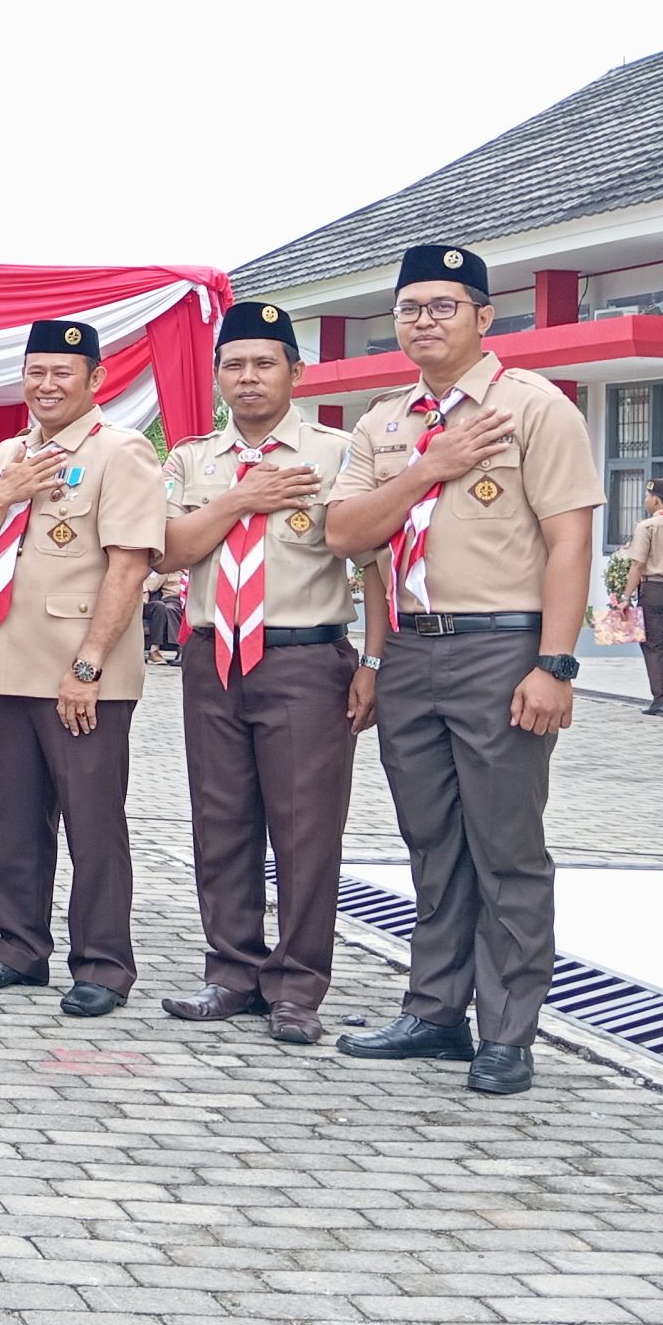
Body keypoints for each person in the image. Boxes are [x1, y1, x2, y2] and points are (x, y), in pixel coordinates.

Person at [324, 244, 603, 1095]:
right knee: (432, 841)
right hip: (411, 648)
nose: (424, 321)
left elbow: (570, 539)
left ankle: (509, 1032)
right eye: (411, 308)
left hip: (500, 648)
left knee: (506, 845)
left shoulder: (536, 408)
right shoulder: (384, 423)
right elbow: (348, 536)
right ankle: (435, 1010)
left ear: (486, 316)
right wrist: (432, 466)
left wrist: (555, 663)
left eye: (445, 306)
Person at [158, 302, 381, 1046]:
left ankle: (297, 986)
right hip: (212, 655)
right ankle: (230, 972)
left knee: (305, 829)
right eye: (234, 365)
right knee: (219, 821)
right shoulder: (192, 459)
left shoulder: (338, 454)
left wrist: (373, 662)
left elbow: (374, 565)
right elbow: (168, 551)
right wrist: (239, 499)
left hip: (305, 660)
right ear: (218, 375)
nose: (248, 378)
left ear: (296, 371)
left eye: (264, 363)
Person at [0, 319, 164, 1017]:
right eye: (35, 372)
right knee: (10, 817)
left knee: (93, 820)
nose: (45, 385)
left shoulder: (121, 452)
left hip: (79, 670)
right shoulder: (14, 451)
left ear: (95, 380)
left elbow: (130, 565)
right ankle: (18, 947)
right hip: (10, 656)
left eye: (61, 373)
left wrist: (91, 664)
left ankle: (103, 962)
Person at [631, 478, 663, 715]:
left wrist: (625, 597)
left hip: (653, 590)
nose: (646, 500)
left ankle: (660, 699)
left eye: (647, 496)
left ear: (655, 500)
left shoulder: (648, 526)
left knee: (652, 645)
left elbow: (637, 564)